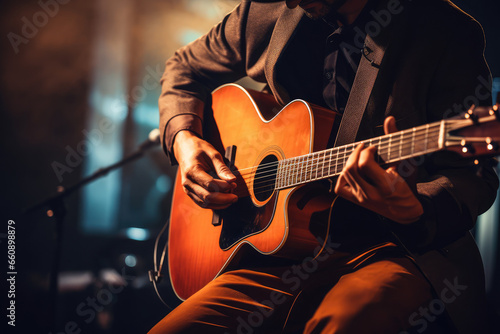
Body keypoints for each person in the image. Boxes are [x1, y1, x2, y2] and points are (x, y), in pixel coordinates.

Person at [150, 0, 499, 333]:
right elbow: (183, 69)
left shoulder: (444, 29)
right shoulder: (268, 11)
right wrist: (184, 140)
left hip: (396, 249)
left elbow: (473, 177)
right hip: (282, 253)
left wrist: (414, 208)